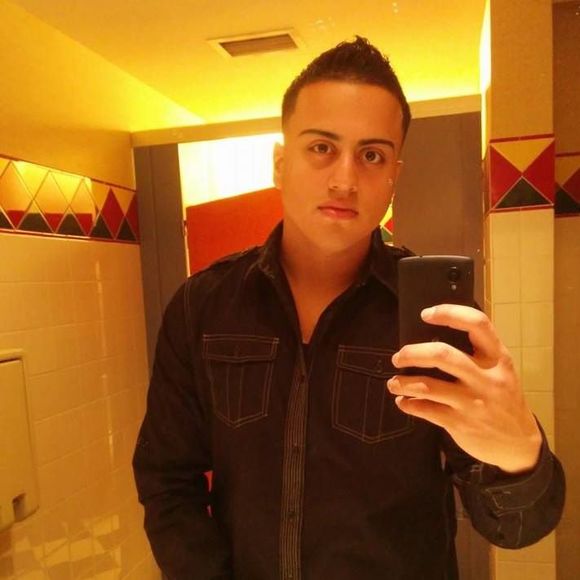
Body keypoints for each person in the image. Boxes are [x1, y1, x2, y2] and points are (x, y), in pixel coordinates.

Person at [133, 37, 565, 580]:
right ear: (280, 163)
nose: (344, 179)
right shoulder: (202, 307)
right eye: (321, 147)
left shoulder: (435, 319)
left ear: (393, 176)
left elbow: (516, 529)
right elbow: (167, 481)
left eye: (372, 155)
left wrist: (520, 454)